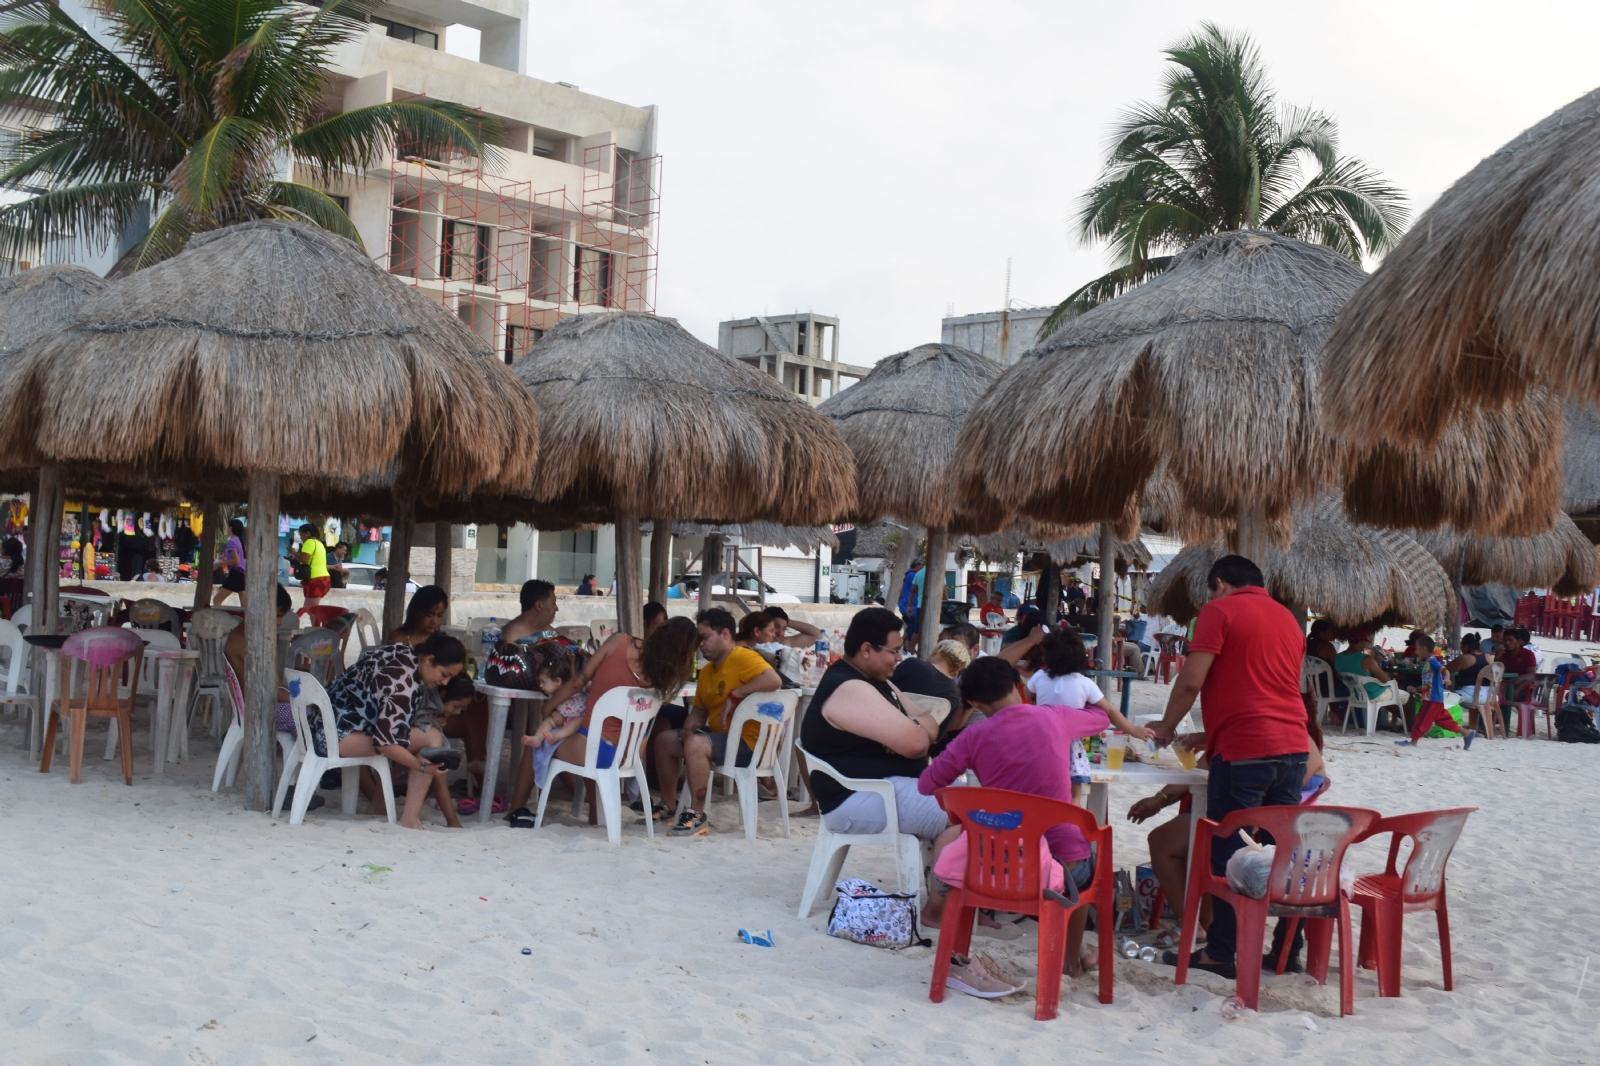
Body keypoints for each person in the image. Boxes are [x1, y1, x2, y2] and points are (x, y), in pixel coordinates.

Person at [1149, 555, 1308, 979]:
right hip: (1293, 748)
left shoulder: (1217, 611)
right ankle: (1288, 949)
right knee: (1281, 853)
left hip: (1244, 753)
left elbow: (1190, 681)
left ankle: (1220, 953)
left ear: (1218, 583)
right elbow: (1267, 688)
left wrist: (1166, 727)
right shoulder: (1288, 620)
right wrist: (1210, 734)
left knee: (1227, 853)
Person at [921, 656, 1110, 977]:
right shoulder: (1055, 717)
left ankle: (1075, 954)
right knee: (1083, 854)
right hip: (1061, 874)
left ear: (975, 703)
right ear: (1020, 686)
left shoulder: (972, 738)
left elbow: (928, 784)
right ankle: (1071, 959)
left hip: (995, 868)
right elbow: (1101, 717)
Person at [505, 617, 699, 826]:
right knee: (589, 734)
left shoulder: (618, 642)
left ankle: (514, 810)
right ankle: (595, 816)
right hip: (628, 755)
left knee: (538, 741)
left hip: (593, 749)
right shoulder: (663, 679)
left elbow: (579, 681)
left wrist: (549, 707)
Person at [799, 606, 951, 854]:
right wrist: (911, 729)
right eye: (895, 651)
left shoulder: (879, 680)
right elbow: (918, 745)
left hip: (883, 790)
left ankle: (946, 889)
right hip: (857, 798)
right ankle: (944, 892)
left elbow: (931, 722)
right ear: (867, 649)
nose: (899, 658)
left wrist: (907, 728)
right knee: (969, 814)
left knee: (970, 807)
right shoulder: (849, 687)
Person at [311, 632, 467, 829]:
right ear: (429, 660)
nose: (444, 683)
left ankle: (383, 806)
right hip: (335, 738)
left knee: (412, 734)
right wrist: (421, 767)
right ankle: (410, 818)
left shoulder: (401, 652)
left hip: (316, 726)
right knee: (431, 737)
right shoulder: (405, 683)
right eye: (445, 675)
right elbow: (385, 743)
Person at [654, 608, 781, 835]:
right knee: (665, 740)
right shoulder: (706, 672)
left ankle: (696, 814)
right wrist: (687, 729)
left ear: (724, 634)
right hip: (721, 739)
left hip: (750, 744)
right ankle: (669, 805)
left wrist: (736, 694)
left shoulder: (742, 656)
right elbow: (700, 711)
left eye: (705, 638)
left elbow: (773, 679)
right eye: (698, 640)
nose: (701, 645)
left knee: (696, 744)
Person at [1028, 628, 1153, 800]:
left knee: (1042, 792)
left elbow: (1023, 700)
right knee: (1074, 793)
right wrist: (1133, 730)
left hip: (1040, 742)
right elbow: (1110, 711)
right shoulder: (1085, 684)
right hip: (1070, 745)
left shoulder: (1039, 677)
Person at [1398, 633, 1473, 747]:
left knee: (1421, 718)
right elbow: (1429, 682)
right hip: (1433, 698)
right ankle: (1466, 733)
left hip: (1432, 699)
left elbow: (1445, 670)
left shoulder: (1432, 661)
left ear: (1423, 649)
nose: (1415, 651)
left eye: (1417, 648)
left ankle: (1413, 741)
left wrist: (1447, 679)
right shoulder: (1428, 663)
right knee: (1443, 720)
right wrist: (1417, 688)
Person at [1335, 630, 1400, 729]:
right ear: (1361, 642)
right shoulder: (1366, 659)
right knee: (1405, 697)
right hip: (1372, 694)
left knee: (1388, 696)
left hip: (1354, 694)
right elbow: (1385, 679)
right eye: (1364, 643)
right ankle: (1409, 727)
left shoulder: (1338, 658)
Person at [293, 524, 331, 608]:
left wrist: (294, 553)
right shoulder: (319, 543)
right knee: (309, 608)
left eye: (301, 535)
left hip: (315, 580)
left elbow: (303, 559)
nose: (301, 538)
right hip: (323, 579)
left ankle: (320, 621)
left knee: (311, 609)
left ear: (307, 533)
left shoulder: (309, 542)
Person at [213, 518, 247, 606]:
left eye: (227, 527)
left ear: (231, 528)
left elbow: (236, 560)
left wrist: (220, 563)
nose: (226, 529)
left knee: (217, 600)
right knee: (244, 606)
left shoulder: (231, 541)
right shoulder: (239, 541)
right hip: (242, 574)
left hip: (235, 574)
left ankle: (220, 619)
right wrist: (226, 560)